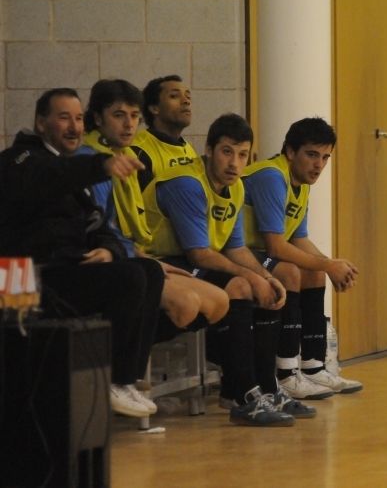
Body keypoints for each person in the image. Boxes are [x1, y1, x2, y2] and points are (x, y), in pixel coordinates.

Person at [0, 88, 163, 418]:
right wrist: (102, 164)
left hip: (70, 270)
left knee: (149, 271)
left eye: (78, 118)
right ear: (41, 123)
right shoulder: (20, 160)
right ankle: (111, 379)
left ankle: (124, 379)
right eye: (64, 118)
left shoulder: (72, 173)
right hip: (25, 279)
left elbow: (97, 223)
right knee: (129, 278)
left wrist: (108, 249)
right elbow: (51, 175)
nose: (74, 127)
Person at [143, 113, 311, 426]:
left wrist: (265, 277)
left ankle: (267, 387)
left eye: (242, 155)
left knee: (269, 287)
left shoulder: (236, 188)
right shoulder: (187, 183)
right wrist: (249, 276)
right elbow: (199, 254)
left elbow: (236, 248)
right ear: (208, 150)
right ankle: (240, 393)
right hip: (159, 262)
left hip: (191, 260)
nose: (235, 163)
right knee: (240, 286)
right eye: (227, 152)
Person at [79, 78, 230, 331]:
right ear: (97, 118)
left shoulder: (127, 155)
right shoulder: (92, 162)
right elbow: (102, 231)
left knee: (220, 302)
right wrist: (144, 259)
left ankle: (134, 343)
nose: (129, 124)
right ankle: (126, 351)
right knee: (186, 305)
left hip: (136, 252)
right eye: (119, 115)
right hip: (113, 259)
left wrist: (145, 258)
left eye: (134, 116)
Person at [242, 117, 362, 399]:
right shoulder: (272, 176)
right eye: (311, 154)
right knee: (290, 272)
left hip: (260, 252)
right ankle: (285, 373)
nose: (319, 164)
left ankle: (313, 366)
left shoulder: (301, 183)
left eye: (325, 157)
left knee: (314, 271)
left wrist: (331, 266)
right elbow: (276, 246)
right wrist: (329, 264)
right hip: (239, 252)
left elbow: (298, 238)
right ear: (290, 151)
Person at [134, 74, 198, 190]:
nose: (186, 101)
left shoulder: (189, 149)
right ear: (154, 108)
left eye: (188, 97)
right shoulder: (138, 150)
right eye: (174, 96)